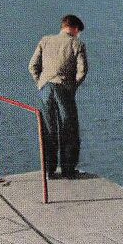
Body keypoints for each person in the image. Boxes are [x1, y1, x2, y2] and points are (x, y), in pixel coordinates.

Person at [29, 14, 88, 179]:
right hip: (63, 88)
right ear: (75, 29)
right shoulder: (77, 44)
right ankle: (68, 169)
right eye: (78, 31)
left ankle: (49, 169)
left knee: (48, 128)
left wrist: (40, 83)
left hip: (45, 88)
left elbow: (32, 65)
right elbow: (82, 70)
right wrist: (72, 87)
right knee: (69, 128)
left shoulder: (45, 40)